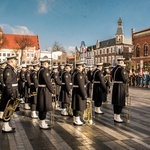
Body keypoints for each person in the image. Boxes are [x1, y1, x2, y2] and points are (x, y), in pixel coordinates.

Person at [1, 55, 18, 133]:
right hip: (9, 92)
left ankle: (6, 125)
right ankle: (5, 126)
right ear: (11, 61)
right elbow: (8, 83)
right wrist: (11, 94)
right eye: (15, 61)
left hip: (12, 91)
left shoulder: (11, 69)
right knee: (8, 109)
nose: (16, 62)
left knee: (9, 109)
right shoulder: (8, 70)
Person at [36, 58, 54, 129]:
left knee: (42, 106)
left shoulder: (40, 70)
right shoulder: (44, 71)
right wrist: (52, 90)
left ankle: (42, 122)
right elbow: (48, 82)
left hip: (41, 89)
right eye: (47, 64)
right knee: (44, 106)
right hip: (44, 90)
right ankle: (42, 123)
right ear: (45, 64)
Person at [111, 58, 129, 123]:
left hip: (115, 85)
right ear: (121, 62)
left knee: (115, 102)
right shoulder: (121, 70)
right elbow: (125, 80)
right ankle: (118, 116)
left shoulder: (114, 69)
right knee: (119, 101)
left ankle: (115, 115)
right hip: (120, 87)